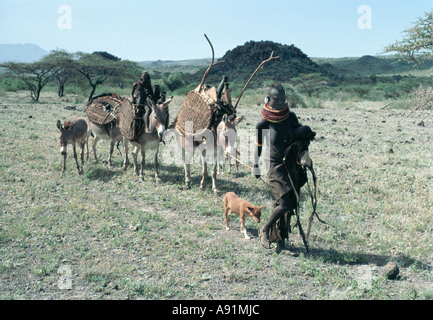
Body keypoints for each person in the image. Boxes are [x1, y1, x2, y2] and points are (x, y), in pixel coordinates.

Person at [253, 83, 315, 255]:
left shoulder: (291, 118)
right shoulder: (264, 123)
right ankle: (264, 230)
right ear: (269, 100)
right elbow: (257, 146)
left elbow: (300, 138)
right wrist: (255, 166)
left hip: (289, 164)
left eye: (282, 99)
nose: (279, 102)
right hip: (273, 165)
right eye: (275, 99)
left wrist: (304, 153)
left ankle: (281, 244)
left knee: (287, 204)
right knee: (284, 203)